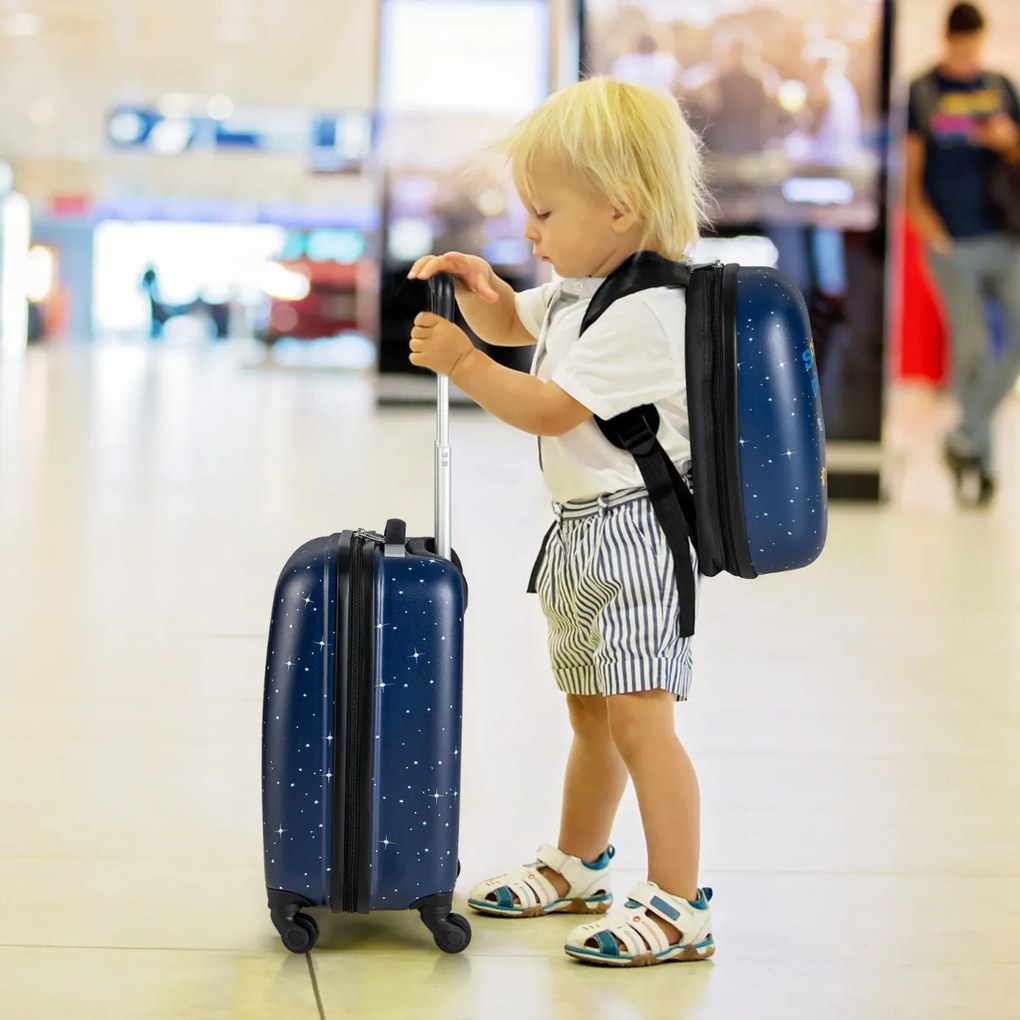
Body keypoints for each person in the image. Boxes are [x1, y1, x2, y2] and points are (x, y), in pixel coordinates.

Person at [405, 77, 714, 967]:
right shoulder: (583, 288)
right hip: (579, 534)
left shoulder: (649, 309)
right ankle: (581, 862)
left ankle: (680, 904)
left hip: (634, 538)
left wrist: (462, 362)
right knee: (592, 713)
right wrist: (481, 293)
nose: (531, 233)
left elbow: (546, 405)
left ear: (620, 209)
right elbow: (515, 323)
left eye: (544, 212)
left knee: (641, 721)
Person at [906, 2, 1020, 506]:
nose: (968, 53)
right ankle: (980, 464)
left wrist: (1009, 142)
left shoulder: (1001, 87)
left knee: (1010, 348)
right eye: (961, 43)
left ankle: (965, 437)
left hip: (1005, 237)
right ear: (947, 40)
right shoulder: (924, 91)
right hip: (952, 242)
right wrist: (928, 227)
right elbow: (911, 169)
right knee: (973, 349)